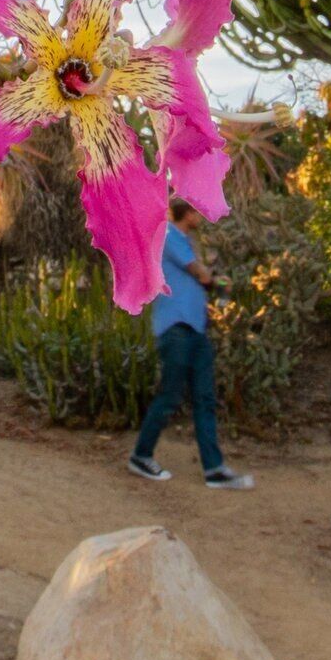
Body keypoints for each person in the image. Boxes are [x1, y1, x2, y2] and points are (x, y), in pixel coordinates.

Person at [127, 194, 251, 490]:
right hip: (176, 329)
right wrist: (220, 281)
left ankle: (214, 469)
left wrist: (214, 281)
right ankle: (141, 456)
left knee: (204, 398)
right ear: (188, 212)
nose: (202, 216)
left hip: (195, 329)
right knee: (170, 396)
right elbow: (200, 274)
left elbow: (202, 276)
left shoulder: (184, 240)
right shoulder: (169, 235)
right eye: (198, 210)